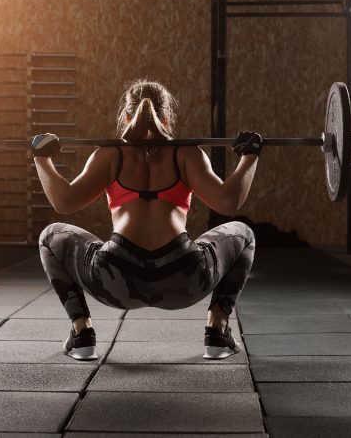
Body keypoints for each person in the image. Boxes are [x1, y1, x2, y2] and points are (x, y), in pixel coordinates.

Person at [33, 79, 260, 361]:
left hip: (116, 280)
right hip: (184, 280)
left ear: (126, 117)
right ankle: (217, 331)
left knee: (49, 237)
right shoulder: (187, 154)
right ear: (167, 118)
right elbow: (229, 202)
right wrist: (250, 156)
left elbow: (64, 202)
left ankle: (82, 334)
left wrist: (42, 158)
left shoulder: (109, 155)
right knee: (244, 234)